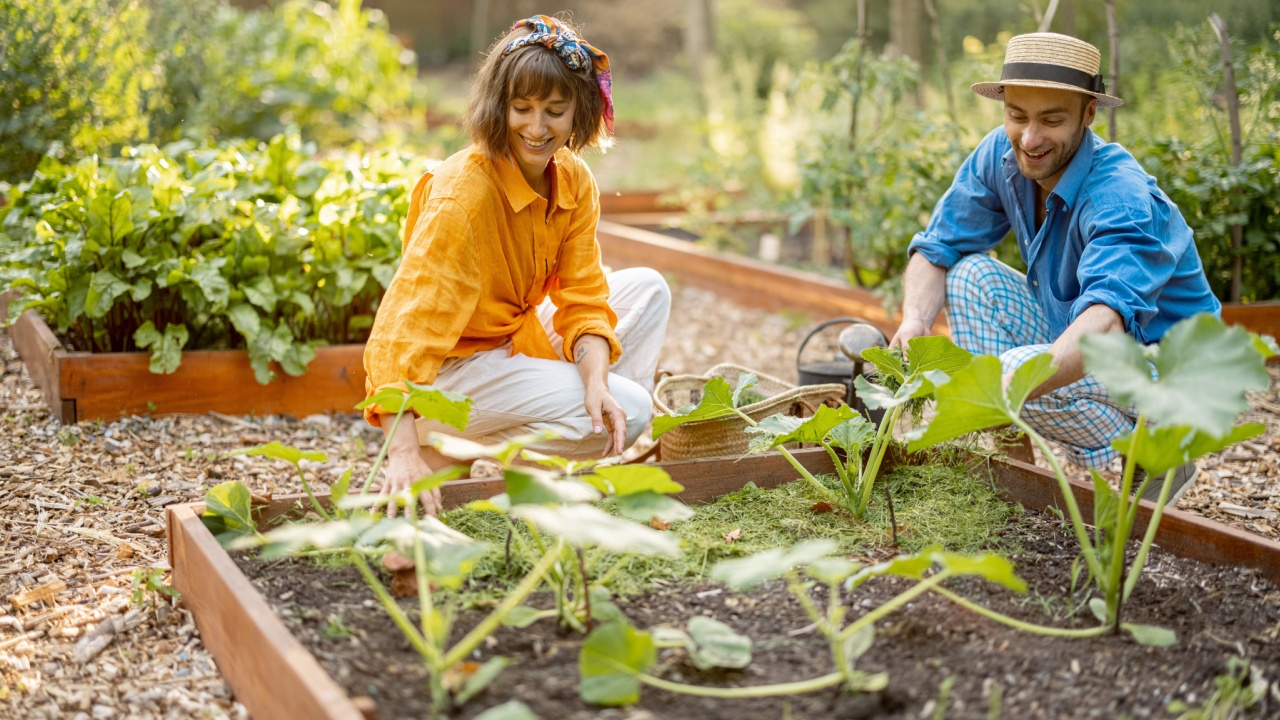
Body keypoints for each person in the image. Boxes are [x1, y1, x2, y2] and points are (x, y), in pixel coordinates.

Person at [891, 32, 1220, 503]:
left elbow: (1104, 321)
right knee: (968, 278)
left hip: (1168, 371)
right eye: (1017, 115)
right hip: (1091, 340)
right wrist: (916, 322)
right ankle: (1014, 476)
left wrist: (998, 388)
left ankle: (1161, 447)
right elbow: (938, 246)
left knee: (1017, 370)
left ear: (1089, 114)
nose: (1030, 138)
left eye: (1051, 119)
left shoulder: (1117, 195)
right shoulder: (1002, 157)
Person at [362, 15, 670, 516]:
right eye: (522, 108)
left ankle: (582, 444)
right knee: (635, 409)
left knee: (649, 290)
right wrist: (403, 450)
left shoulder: (572, 179)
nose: (537, 127)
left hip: (510, 336)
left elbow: (584, 298)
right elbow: (404, 329)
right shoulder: (464, 197)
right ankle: (452, 441)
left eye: (555, 110)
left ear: (579, 112)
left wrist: (596, 381)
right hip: (449, 373)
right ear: (497, 106)